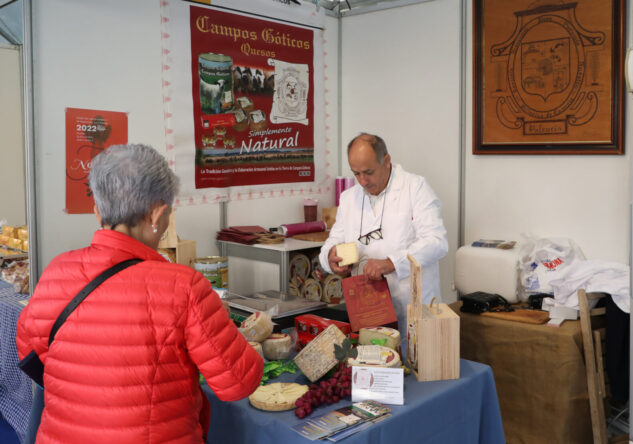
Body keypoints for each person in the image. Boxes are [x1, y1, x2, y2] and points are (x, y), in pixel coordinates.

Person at [16, 144, 263, 443]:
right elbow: (238, 382)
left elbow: (31, 353)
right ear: (158, 214)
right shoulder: (184, 286)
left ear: (97, 211)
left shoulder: (57, 272)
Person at [319, 133, 448, 349]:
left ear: (386, 161)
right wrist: (330, 257)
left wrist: (392, 262)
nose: (362, 181)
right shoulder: (349, 197)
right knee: (377, 367)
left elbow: (436, 242)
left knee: (418, 370)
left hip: (413, 306)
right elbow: (334, 239)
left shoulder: (415, 188)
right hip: (369, 310)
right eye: (356, 173)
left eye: (368, 172)